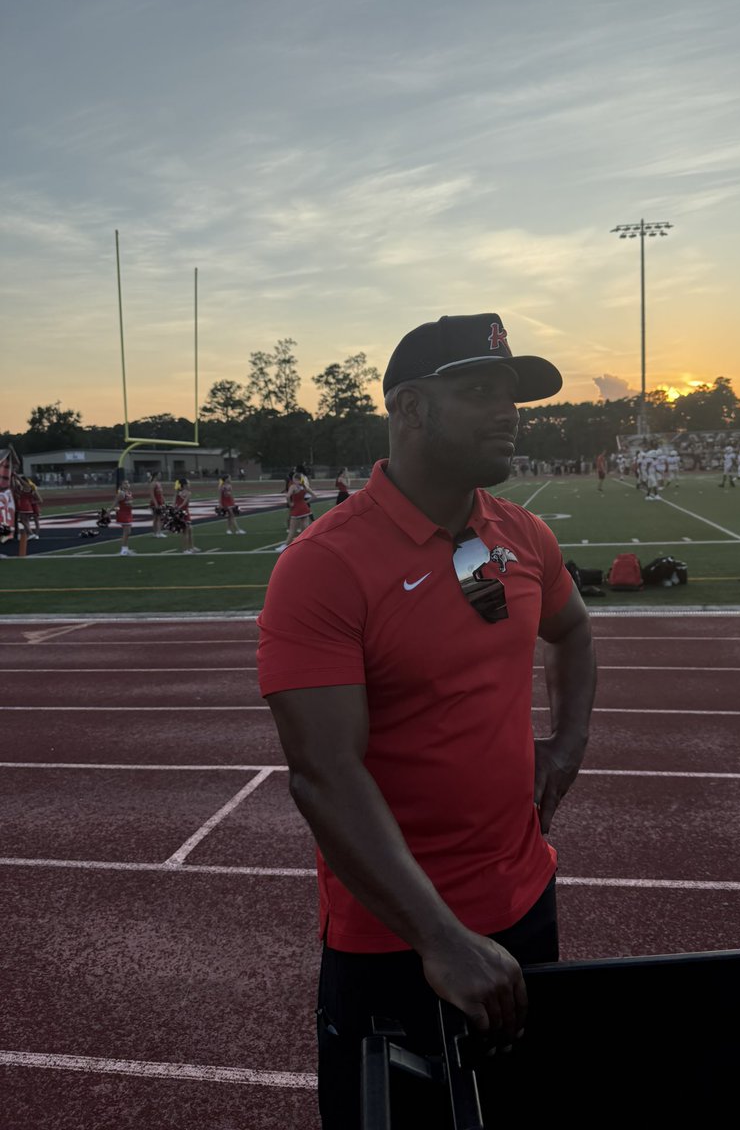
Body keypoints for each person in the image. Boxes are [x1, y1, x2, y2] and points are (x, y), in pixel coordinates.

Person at [257, 313, 597, 1128]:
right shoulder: (324, 567)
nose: (509, 411)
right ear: (409, 409)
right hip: (396, 942)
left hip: (524, 902)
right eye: (479, 391)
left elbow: (574, 630)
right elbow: (324, 775)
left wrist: (566, 747)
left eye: (512, 393)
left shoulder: (522, 535)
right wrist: (440, 940)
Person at [276, 471, 314, 551]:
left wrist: (290, 504)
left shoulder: (293, 486)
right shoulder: (304, 486)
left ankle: (285, 545)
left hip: (296, 509)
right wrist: (305, 502)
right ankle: (306, 543)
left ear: (295, 479)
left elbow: (287, 496)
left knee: (292, 529)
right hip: (305, 508)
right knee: (305, 528)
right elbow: (314, 496)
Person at [175, 479, 199, 553]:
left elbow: (174, 503)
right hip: (184, 512)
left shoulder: (178, 492)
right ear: (185, 485)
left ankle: (191, 547)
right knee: (185, 532)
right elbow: (184, 503)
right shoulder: (188, 493)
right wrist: (179, 508)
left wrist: (176, 508)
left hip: (181, 512)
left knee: (190, 530)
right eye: (188, 484)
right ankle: (185, 549)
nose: (189, 485)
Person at [114, 479, 136, 555]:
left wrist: (130, 504)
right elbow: (115, 503)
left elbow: (131, 504)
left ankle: (125, 548)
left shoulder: (129, 493)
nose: (127, 484)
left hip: (128, 513)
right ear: (122, 485)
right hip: (123, 513)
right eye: (125, 483)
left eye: (128, 483)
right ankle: (123, 550)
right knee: (126, 532)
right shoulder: (121, 494)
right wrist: (109, 511)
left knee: (128, 532)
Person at [149, 472, 166, 537]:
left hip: (160, 502)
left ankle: (158, 532)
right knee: (157, 518)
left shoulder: (159, 483)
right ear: (156, 476)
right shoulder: (153, 484)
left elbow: (161, 494)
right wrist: (156, 504)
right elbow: (152, 495)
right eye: (159, 475)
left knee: (159, 518)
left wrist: (164, 501)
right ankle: (157, 533)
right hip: (155, 503)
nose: (160, 476)